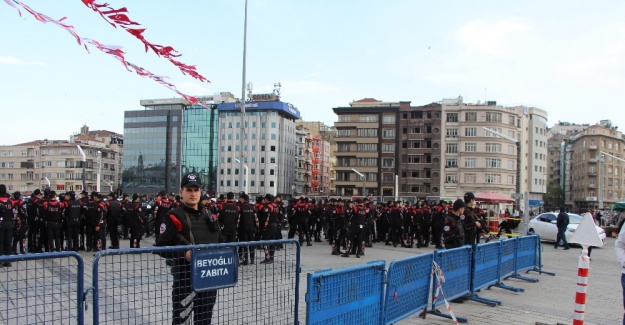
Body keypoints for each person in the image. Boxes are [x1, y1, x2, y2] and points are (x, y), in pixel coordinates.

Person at [156, 172, 221, 324]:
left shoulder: (208, 215)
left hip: (208, 279)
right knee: (181, 320)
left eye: (196, 190)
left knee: (204, 320)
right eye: (189, 190)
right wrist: (183, 253)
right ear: (181, 192)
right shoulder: (173, 216)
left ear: (201, 192)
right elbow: (161, 247)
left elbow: (221, 241)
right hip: (186, 279)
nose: (193, 194)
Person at [0, 185, 14, 265]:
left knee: (0, 242)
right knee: (8, 241)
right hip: (9, 223)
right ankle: (8, 260)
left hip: (1, 223)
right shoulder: (9, 201)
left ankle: (1, 260)